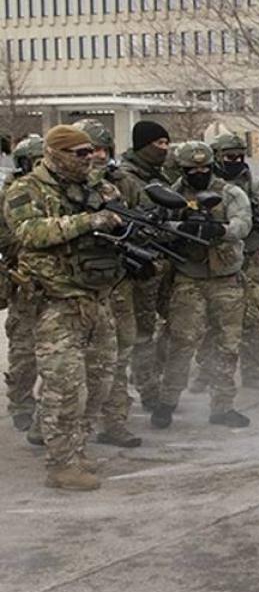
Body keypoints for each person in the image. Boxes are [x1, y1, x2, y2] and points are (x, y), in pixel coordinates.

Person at [4, 125, 125, 490]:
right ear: (56, 154)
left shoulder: (98, 188)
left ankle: (78, 449)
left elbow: (117, 219)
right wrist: (88, 221)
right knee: (66, 386)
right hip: (55, 302)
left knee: (99, 380)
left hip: (95, 297)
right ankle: (61, 464)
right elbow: (29, 232)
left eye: (92, 152)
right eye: (81, 153)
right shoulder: (25, 190)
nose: (90, 158)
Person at [152, 142, 253, 430]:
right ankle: (167, 402)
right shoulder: (171, 194)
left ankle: (223, 406)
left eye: (204, 168)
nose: (199, 173)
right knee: (181, 343)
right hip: (189, 277)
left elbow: (243, 223)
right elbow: (159, 225)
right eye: (191, 169)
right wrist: (179, 227)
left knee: (228, 344)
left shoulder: (230, 192)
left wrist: (219, 230)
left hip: (226, 278)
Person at [187, 133, 259, 392]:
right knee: (208, 320)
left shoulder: (253, 184)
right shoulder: (203, 182)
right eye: (229, 157)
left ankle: (252, 373)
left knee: (251, 316)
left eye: (240, 156)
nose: (236, 161)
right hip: (211, 258)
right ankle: (205, 374)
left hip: (247, 257)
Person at [74, 119, 143, 447]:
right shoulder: (50, 187)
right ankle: (51, 424)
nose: (96, 156)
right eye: (87, 150)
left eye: (101, 149)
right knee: (68, 361)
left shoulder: (121, 184)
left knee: (118, 354)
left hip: (115, 283)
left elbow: (140, 220)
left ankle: (114, 422)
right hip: (71, 288)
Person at [118, 120, 172, 414]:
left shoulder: (156, 174)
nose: (164, 149)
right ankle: (147, 392)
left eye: (166, 143)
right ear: (143, 145)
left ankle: (151, 384)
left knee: (160, 328)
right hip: (136, 265)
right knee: (139, 334)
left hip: (157, 261)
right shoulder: (128, 178)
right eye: (158, 144)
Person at [2, 135, 42, 440]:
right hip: (25, 282)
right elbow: (8, 238)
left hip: (58, 285)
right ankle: (21, 405)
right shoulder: (10, 195)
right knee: (24, 352)